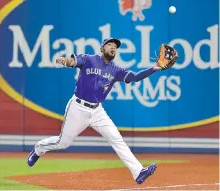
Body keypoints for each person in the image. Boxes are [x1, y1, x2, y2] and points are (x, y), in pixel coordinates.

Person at [27, 38, 163, 184]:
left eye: (115, 46)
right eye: (109, 45)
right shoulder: (89, 59)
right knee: (63, 143)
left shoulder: (116, 70)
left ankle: (138, 172)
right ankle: (38, 149)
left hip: (97, 111)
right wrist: (66, 61)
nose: (113, 48)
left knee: (116, 139)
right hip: (78, 108)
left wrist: (154, 68)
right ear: (101, 48)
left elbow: (135, 77)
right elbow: (73, 62)